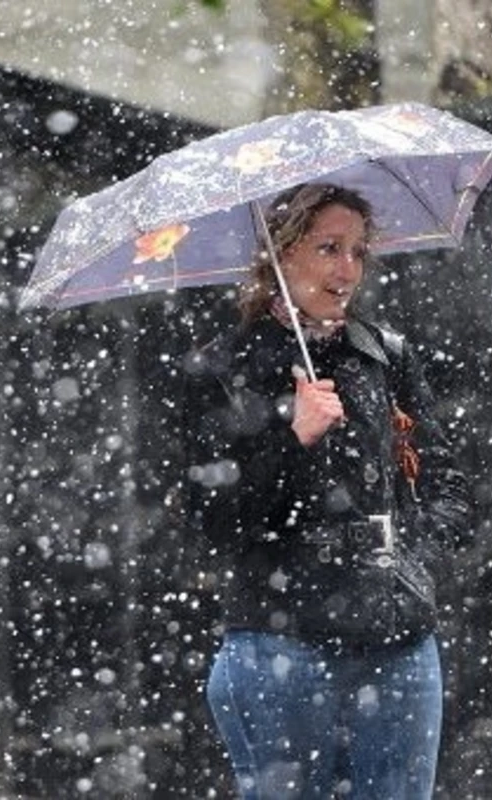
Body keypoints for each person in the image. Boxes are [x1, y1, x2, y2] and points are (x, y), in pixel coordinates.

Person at [184, 183, 472, 799]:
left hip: (396, 641)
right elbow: (214, 520)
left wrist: (411, 561)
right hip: (280, 644)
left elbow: (446, 484)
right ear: (281, 257)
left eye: (359, 251)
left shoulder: (385, 357)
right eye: (328, 248)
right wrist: (295, 440)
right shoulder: (225, 367)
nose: (348, 270)